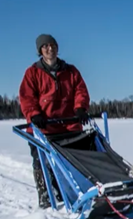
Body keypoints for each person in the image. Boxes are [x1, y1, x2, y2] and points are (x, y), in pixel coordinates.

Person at [19, 33, 91, 208]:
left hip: (69, 126)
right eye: (45, 46)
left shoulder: (71, 71)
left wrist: (80, 108)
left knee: (80, 159)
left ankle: (81, 192)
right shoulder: (32, 73)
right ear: (40, 51)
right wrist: (34, 114)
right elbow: (27, 98)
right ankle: (45, 197)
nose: (50, 49)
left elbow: (80, 91)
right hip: (44, 128)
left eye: (52, 45)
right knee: (42, 163)